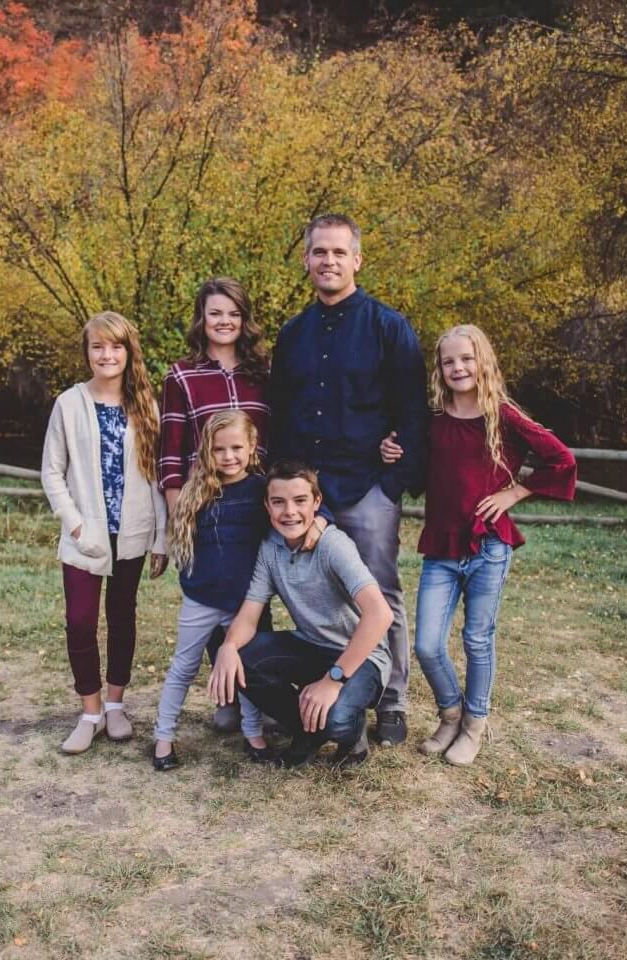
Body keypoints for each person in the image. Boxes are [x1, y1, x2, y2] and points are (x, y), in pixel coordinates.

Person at [380, 324, 576, 764]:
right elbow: (415, 473)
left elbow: (562, 459)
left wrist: (515, 493)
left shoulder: (503, 416)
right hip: (442, 551)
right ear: (439, 369)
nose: (457, 367)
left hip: (488, 548)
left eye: (466, 358)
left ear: (482, 361)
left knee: (477, 640)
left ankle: (474, 725)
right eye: (448, 361)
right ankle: (450, 713)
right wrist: (392, 451)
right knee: (428, 644)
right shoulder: (433, 423)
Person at [268, 213, 429, 748]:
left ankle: (393, 700)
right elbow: (281, 413)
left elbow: (413, 414)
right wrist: (290, 490)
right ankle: (330, 688)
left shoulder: (389, 328)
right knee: (310, 593)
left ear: (357, 259)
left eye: (339, 253)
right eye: (319, 252)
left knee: (380, 590)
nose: (328, 261)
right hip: (309, 496)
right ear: (306, 261)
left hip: (367, 489)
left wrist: (391, 483)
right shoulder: (292, 335)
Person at [207, 460, 394, 769]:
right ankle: (307, 730)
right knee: (234, 654)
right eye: (278, 502)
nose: (289, 511)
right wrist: (228, 647)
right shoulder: (270, 547)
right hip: (311, 645)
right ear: (267, 505)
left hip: (362, 657)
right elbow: (249, 615)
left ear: (317, 502)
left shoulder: (333, 545)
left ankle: (351, 733)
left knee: (337, 721)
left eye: (300, 500)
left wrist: (333, 681)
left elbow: (380, 614)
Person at [40, 311, 168, 755]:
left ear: (128, 352)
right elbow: (51, 472)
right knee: (79, 622)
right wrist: (73, 521)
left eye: (115, 346)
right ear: (87, 353)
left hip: (132, 531)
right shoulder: (69, 404)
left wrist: (161, 538)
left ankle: (115, 705)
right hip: (85, 533)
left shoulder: (145, 405)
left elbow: (156, 477)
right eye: (98, 346)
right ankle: (90, 712)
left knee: (121, 617)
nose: (107, 354)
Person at [158, 277, 273, 734]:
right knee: (208, 598)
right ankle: (224, 695)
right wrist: (178, 524)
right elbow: (170, 453)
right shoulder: (182, 376)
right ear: (201, 320)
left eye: (232, 313)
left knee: (253, 598)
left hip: (252, 503)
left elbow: (273, 440)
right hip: (203, 507)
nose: (224, 322)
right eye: (214, 314)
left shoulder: (263, 373)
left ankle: (253, 692)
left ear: (243, 320)